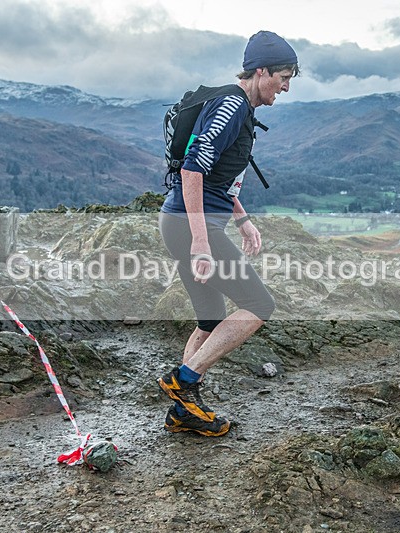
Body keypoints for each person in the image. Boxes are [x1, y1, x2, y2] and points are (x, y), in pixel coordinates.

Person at [157, 30, 299, 436]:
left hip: (181, 221)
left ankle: (185, 412)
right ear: (261, 71)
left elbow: (217, 177)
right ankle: (182, 384)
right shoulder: (231, 106)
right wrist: (202, 242)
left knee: (209, 319)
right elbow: (192, 169)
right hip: (189, 226)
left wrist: (241, 218)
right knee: (258, 305)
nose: (286, 86)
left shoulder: (236, 106)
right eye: (283, 77)